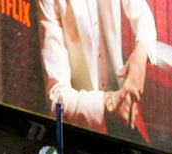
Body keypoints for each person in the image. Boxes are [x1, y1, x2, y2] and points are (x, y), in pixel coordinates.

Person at [39, 0, 153, 137]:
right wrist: (109, 102)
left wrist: (140, 54)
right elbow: (56, 99)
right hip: (82, 131)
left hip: (126, 117)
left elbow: (144, 15)